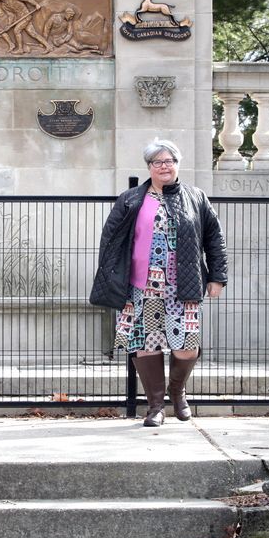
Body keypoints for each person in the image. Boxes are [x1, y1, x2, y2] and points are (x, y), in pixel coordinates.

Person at [90, 138, 228, 427]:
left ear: (177, 164)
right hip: (142, 286)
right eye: (157, 162)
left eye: (169, 161)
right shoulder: (130, 199)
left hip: (183, 284)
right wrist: (111, 276)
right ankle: (155, 406)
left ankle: (177, 392)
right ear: (149, 167)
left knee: (186, 346)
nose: (164, 166)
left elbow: (214, 239)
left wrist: (217, 277)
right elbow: (110, 241)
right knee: (146, 344)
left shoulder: (196, 197)